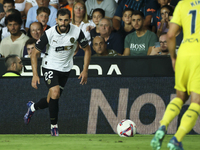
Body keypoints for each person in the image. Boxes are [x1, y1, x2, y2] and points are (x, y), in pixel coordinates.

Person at [23, 8, 91, 136]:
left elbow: (87, 50)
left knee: (52, 99)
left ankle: (32, 107)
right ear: (56, 20)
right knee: (55, 92)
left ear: (70, 20)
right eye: (60, 20)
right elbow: (34, 54)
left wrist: (85, 70)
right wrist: (35, 74)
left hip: (65, 69)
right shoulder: (49, 33)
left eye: (66, 20)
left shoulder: (76, 32)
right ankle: (54, 128)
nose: (63, 23)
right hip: (50, 66)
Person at [150, 1, 200, 150]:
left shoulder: (182, 4)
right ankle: (176, 139)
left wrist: (173, 57)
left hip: (184, 53)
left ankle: (162, 127)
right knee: (196, 101)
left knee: (180, 97)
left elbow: (170, 35)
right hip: (199, 54)